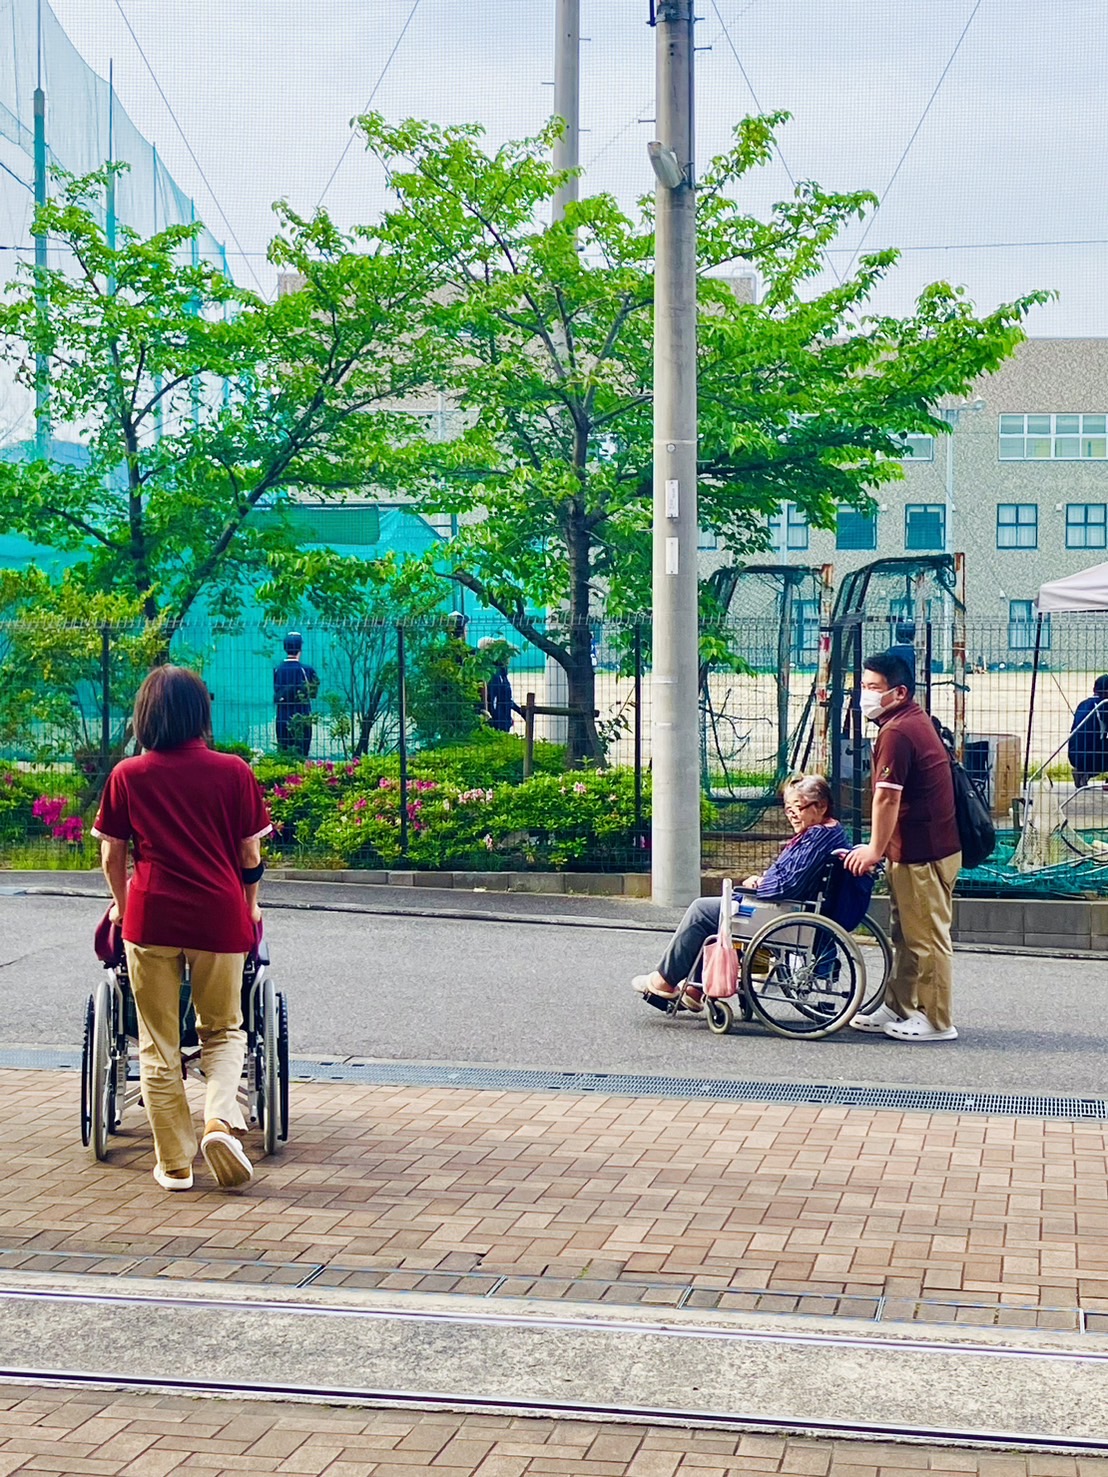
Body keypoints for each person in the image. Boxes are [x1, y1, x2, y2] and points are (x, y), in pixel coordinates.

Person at [93, 666, 273, 1191]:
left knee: (157, 1044)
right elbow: (249, 854)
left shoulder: (128, 775)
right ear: (201, 713)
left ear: (144, 716)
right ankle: (219, 1121)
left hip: (151, 918)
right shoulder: (234, 772)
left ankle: (174, 1164)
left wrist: (122, 905)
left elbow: (112, 855)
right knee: (224, 1030)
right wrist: (251, 905)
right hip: (219, 915)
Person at [631, 775, 866, 1014]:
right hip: (794, 908)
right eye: (788, 809)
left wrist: (759, 884)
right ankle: (695, 988)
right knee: (715, 914)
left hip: (782, 910)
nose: (792, 815)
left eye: (798, 808)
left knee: (701, 912)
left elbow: (788, 885)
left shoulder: (816, 838)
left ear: (821, 806)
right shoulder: (830, 831)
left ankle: (664, 981)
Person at [844, 651, 961, 1042]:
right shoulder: (909, 720)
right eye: (863, 686)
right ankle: (899, 1005)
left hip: (924, 852)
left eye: (873, 687)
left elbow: (886, 797)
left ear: (899, 692)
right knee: (907, 934)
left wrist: (873, 849)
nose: (865, 694)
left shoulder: (897, 732)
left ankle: (936, 1020)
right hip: (914, 850)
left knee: (926, 938)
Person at [273, 631, 319, 757]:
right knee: (302, 755)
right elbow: (313, 693)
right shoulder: (307, 670)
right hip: (302, 717)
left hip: (282, 717)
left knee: (284, 756)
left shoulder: (278, 669)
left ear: (285, 648)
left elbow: (277, 692)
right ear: (300, 648)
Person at [1068, 675, 1108, 787]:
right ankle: (1085, 773)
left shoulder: (1083, 704)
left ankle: (1084, 774)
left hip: (1074, 755)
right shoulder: (1104, 705)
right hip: (1092, 756)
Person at [478, 636, 517, 733]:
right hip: (497, 724)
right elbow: (492, 700)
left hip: (503, 721)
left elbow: (505, 698)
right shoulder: (493, 675)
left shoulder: (502, 674)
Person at [887, 620, 918, 691]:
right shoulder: (916, 652)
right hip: (911, 687)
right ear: (913, 635)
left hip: (893, 687)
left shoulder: (890, 652)